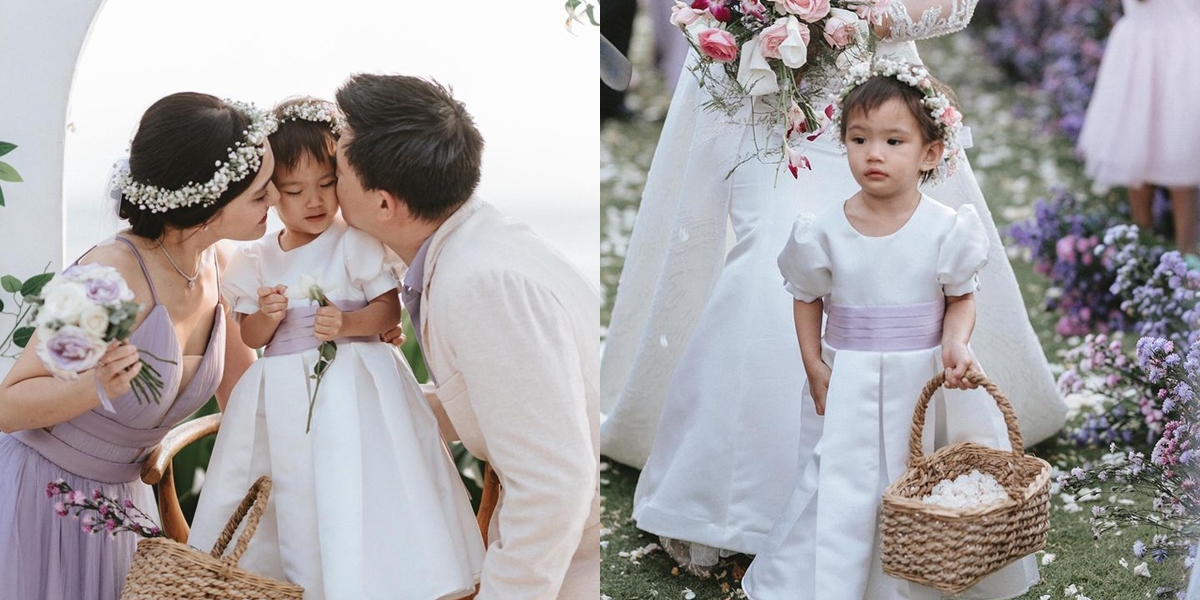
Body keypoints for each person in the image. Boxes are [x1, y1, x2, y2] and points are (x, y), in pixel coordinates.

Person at [600, 0, 1067, 575]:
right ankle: (739, 501)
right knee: (762, 262)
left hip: (876, 95)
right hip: (758, 86)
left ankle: (895, 479)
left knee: (908, 261)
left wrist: (858, 14)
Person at [740, 60, 1037, 600]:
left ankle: (927, 571)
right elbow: (807, 298)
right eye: (859, 139)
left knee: (918, 473)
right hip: (849, 375)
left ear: (930, 152)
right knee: (839, 476)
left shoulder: (946, 228)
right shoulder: (823, 230)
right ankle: (831, 576)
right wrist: (814, 362)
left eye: (893, 141)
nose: (873, 153)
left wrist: (956, 341)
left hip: (923, 376)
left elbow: (960, 296)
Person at [186, 98, 484, 600]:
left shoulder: (354, 242)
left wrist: (348, 323)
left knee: (355, 484)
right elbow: (250, 337)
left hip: (355, 389)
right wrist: (268, 316)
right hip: (283, 399)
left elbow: (389, 310)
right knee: (299, 492)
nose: (315, 201)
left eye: (327, 184)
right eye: (295, 190)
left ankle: (376, 581)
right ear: (271, 194)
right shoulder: (255, 260)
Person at [333, 74, 599, 600]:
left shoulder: (480, 285)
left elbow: (553, 486)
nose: (325, 180)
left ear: (385, 204)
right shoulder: (474, 244)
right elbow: (498, 399)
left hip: (564, 566)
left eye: (336, 168)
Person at [0, 92, 269, 599]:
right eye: (260, 193)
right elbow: (8, 406)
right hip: (40, 502)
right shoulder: (108, 275)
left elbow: (243, 399)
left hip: (124, 514)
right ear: (207, 198)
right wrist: (95, 385)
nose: (275, 199)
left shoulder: (223, 264)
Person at [1076, 0, 1200, 258]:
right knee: (1134, 145)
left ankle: (1187, 253)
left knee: (1183, 150)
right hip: (1142, 44)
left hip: (1184, 43)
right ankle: (1141, 245)